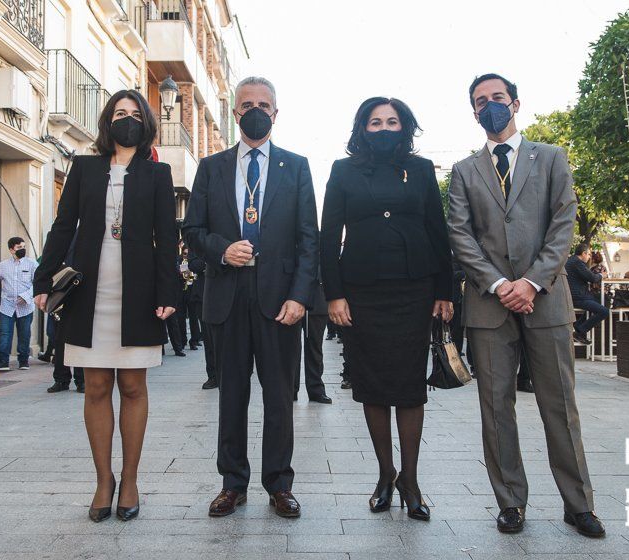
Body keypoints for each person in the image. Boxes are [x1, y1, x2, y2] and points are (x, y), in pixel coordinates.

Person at [448, 74, 603, 537]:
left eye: (497, 98)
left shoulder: (552, 157)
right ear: (473, 112)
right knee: (496, 410)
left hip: (548, 302)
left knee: (560, 406)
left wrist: (532, 282)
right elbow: (460, 234)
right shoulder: (463, 170)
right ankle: (510, 502)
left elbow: (563, 223)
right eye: (480, 101)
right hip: (489, 308)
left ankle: (579, 505)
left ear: (515, 103)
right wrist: (498, 284)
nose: (490, 106)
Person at [33, 89, 178, 523]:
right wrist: (44, 278)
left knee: (133, 387)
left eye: (135, 114)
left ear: (146, 122)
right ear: (107, 121)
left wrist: (168, 292)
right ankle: (103, 480)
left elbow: (167, 238)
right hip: (89, 290)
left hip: (137, 290)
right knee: (95, 387)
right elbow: (63, 226)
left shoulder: (158, 173)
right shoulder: (84, 168)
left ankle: (130, 479)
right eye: (120, 113)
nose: (127, 119)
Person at [183, 76, 318, 519]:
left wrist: (300, 297)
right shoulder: (212, 167)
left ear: (275, 114)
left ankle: (279, 484)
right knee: (232, 395)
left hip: (280, 302)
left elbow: (308, 239)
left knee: (280, 396)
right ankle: (232, 483)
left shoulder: (296, 167)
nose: (255, 110)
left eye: (264, 104)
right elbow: (192, 230)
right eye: (247, 104)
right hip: (227, 295)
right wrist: (222, 249)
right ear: (235, 112)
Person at [321, 96, 453, 521]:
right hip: (362, 293)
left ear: (405, 126)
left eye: (391, 121)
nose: (383, 128)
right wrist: (334, 294)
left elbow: (438, 229)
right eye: (375, 122)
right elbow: (328, 236)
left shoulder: (420, 169)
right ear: (362, 128)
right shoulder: (343, 170)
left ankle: (410, 481)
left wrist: (445, 291)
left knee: (410, 386)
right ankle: (384, 474)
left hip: (415, 289)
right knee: (372, 384)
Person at [0, 237, 37, 372]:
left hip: (25, 306)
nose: (22, 249)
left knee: (24, 333)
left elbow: (37, 283)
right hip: (7, 305)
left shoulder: (32, 264)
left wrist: (26, 296)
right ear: (11, 250)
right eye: (18, 247)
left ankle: (23, 360)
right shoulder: (2, 265)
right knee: (5, 333)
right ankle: (2, 361)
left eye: (23, 246)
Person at [292, 278, 332, 404]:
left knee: (315, 348)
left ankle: (316, 389)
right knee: (291, 349)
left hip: (318, 296)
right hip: (290, 298)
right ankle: (290, 389)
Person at [566, 244, 609, 345]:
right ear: (583, 253)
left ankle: (578, 325)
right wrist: (601, 275)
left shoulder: (571, 260)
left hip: (575, 295)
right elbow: (592, 278)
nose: (590, 257)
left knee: (600, 300)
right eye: (589, 254)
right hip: (577, 297)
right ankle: (580, 332)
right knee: (604, 311)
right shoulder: (577, 262)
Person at [187, 251, 217, 389]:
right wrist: (214, 258)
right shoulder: (199, 239)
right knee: (209, 338)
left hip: (229, 292)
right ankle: (213, 375)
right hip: (203, 295)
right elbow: (194, 265)